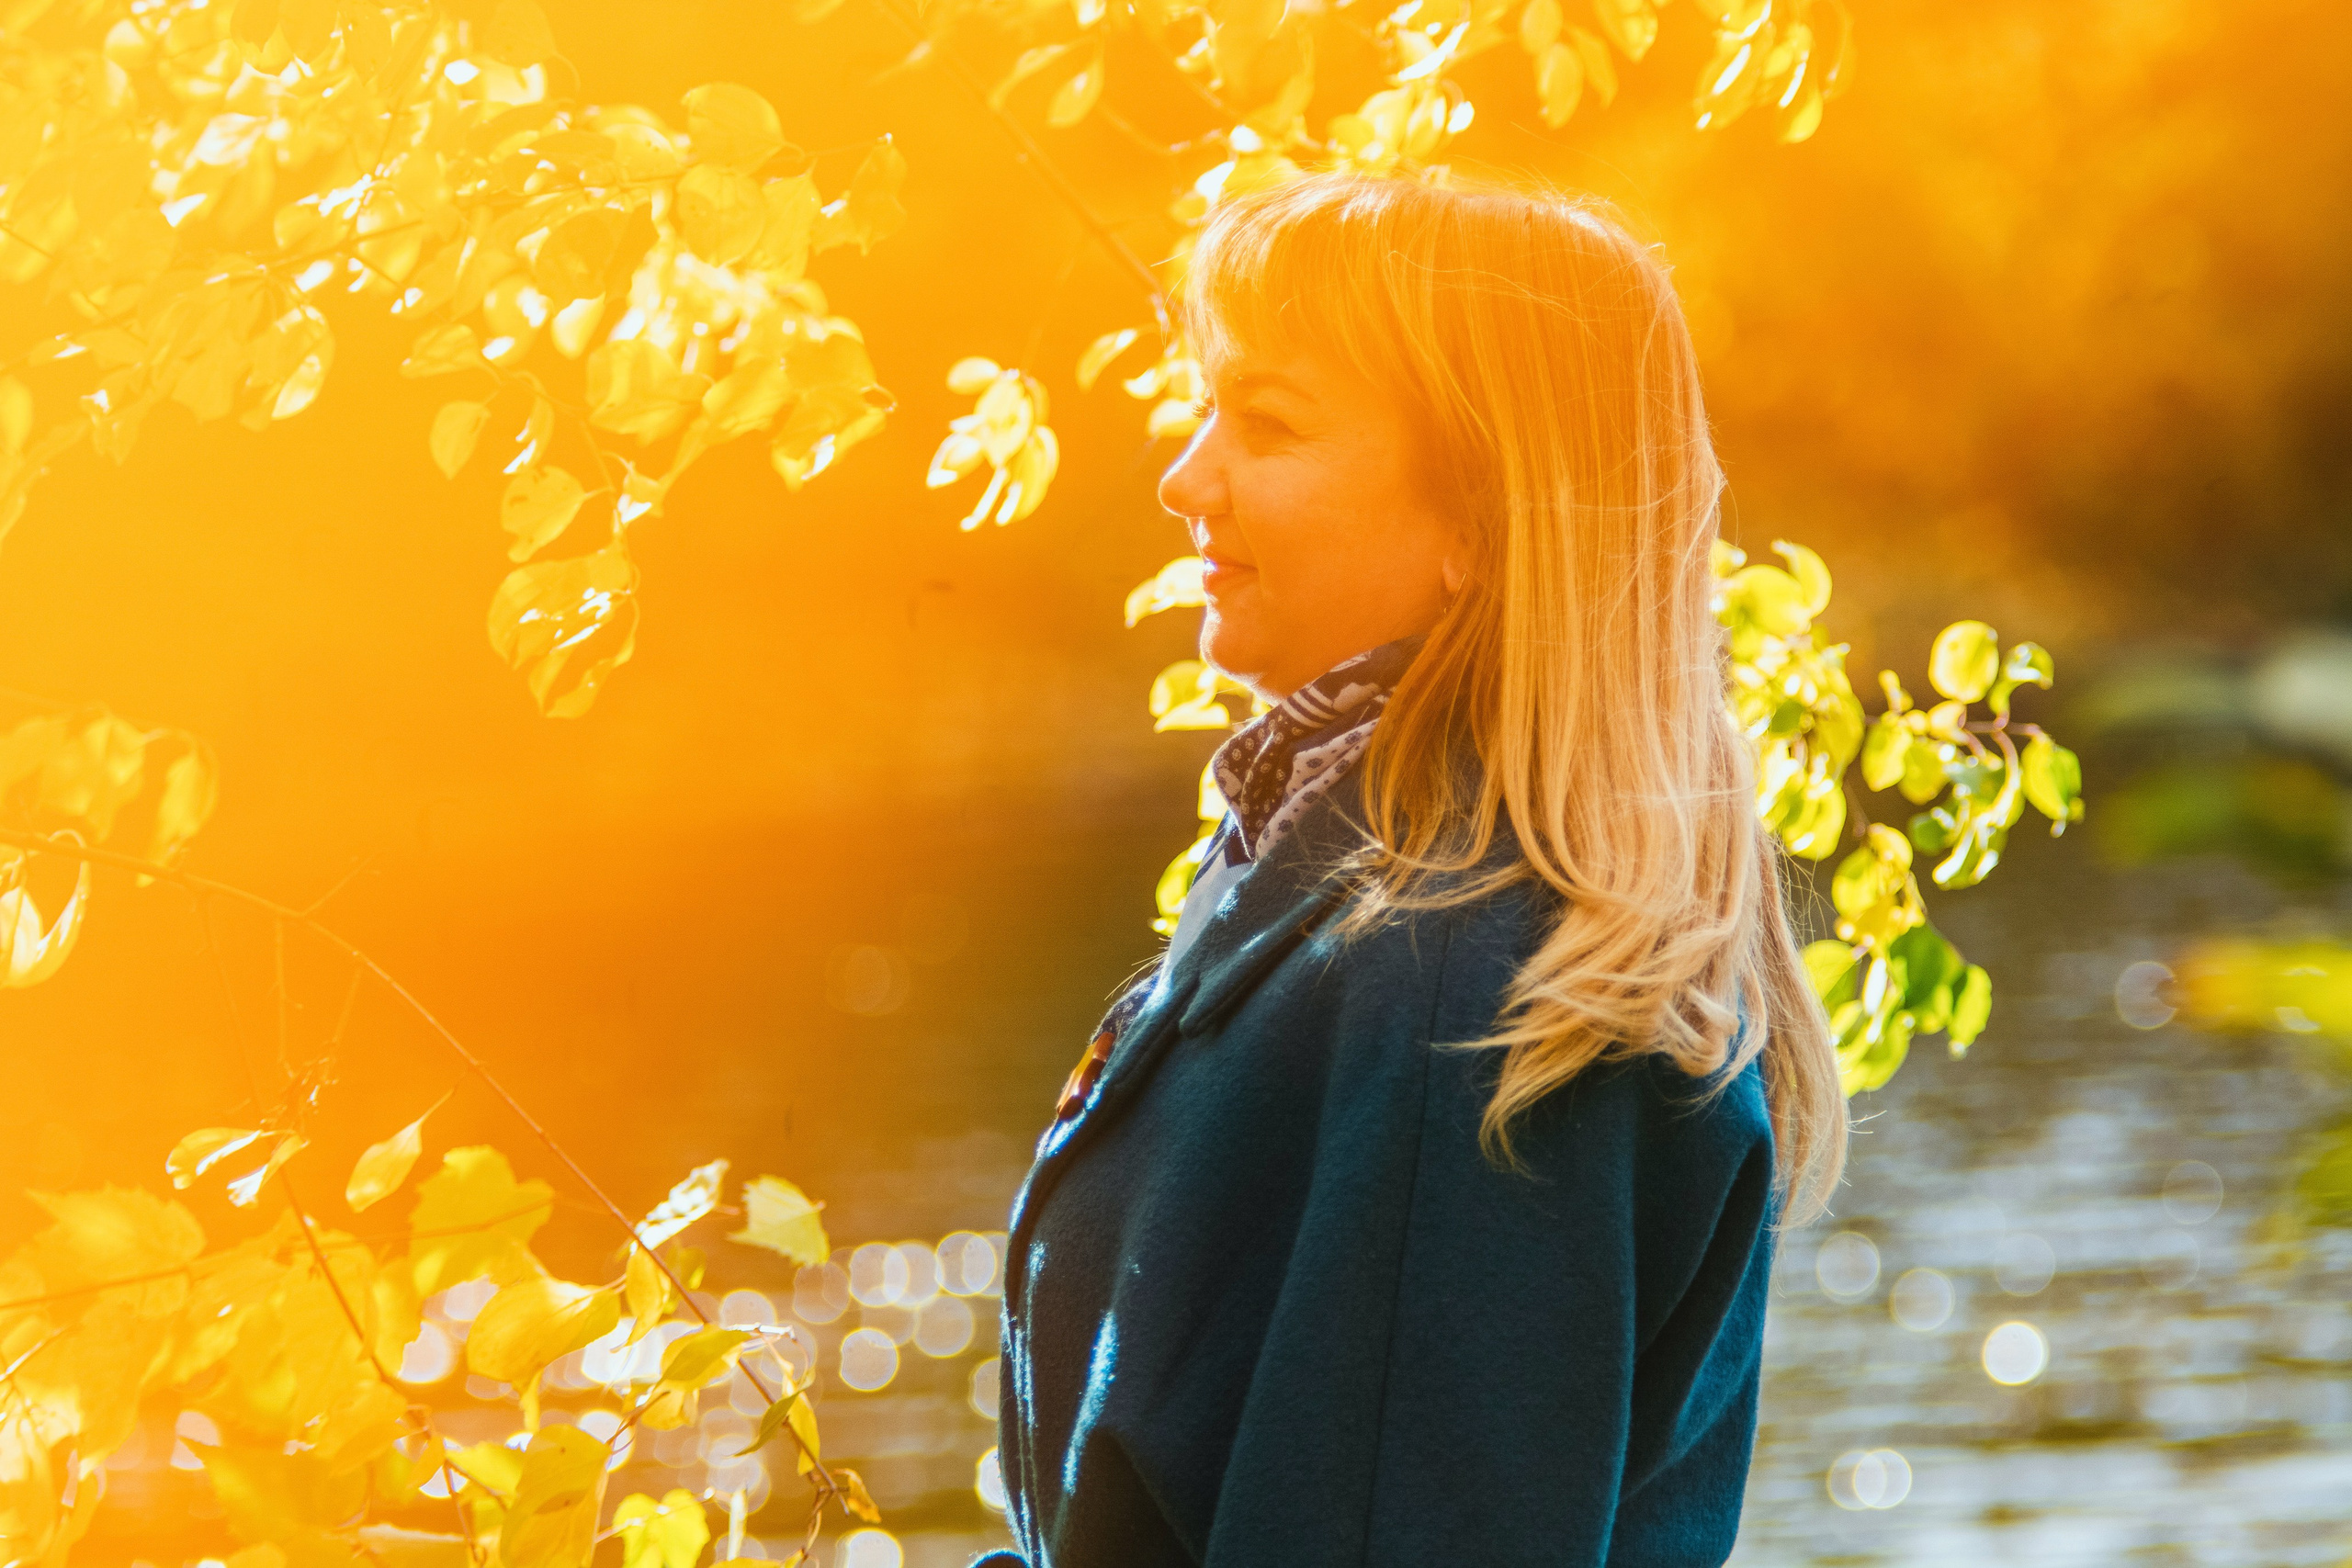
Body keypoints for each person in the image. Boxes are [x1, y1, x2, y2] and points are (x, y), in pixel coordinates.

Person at [976, 172, 1848, 1568]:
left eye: (1266, 424)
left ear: (1479, 521)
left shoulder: (1460, 990)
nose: (1184, 475)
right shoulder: (1337, 889)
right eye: (1206, 410)